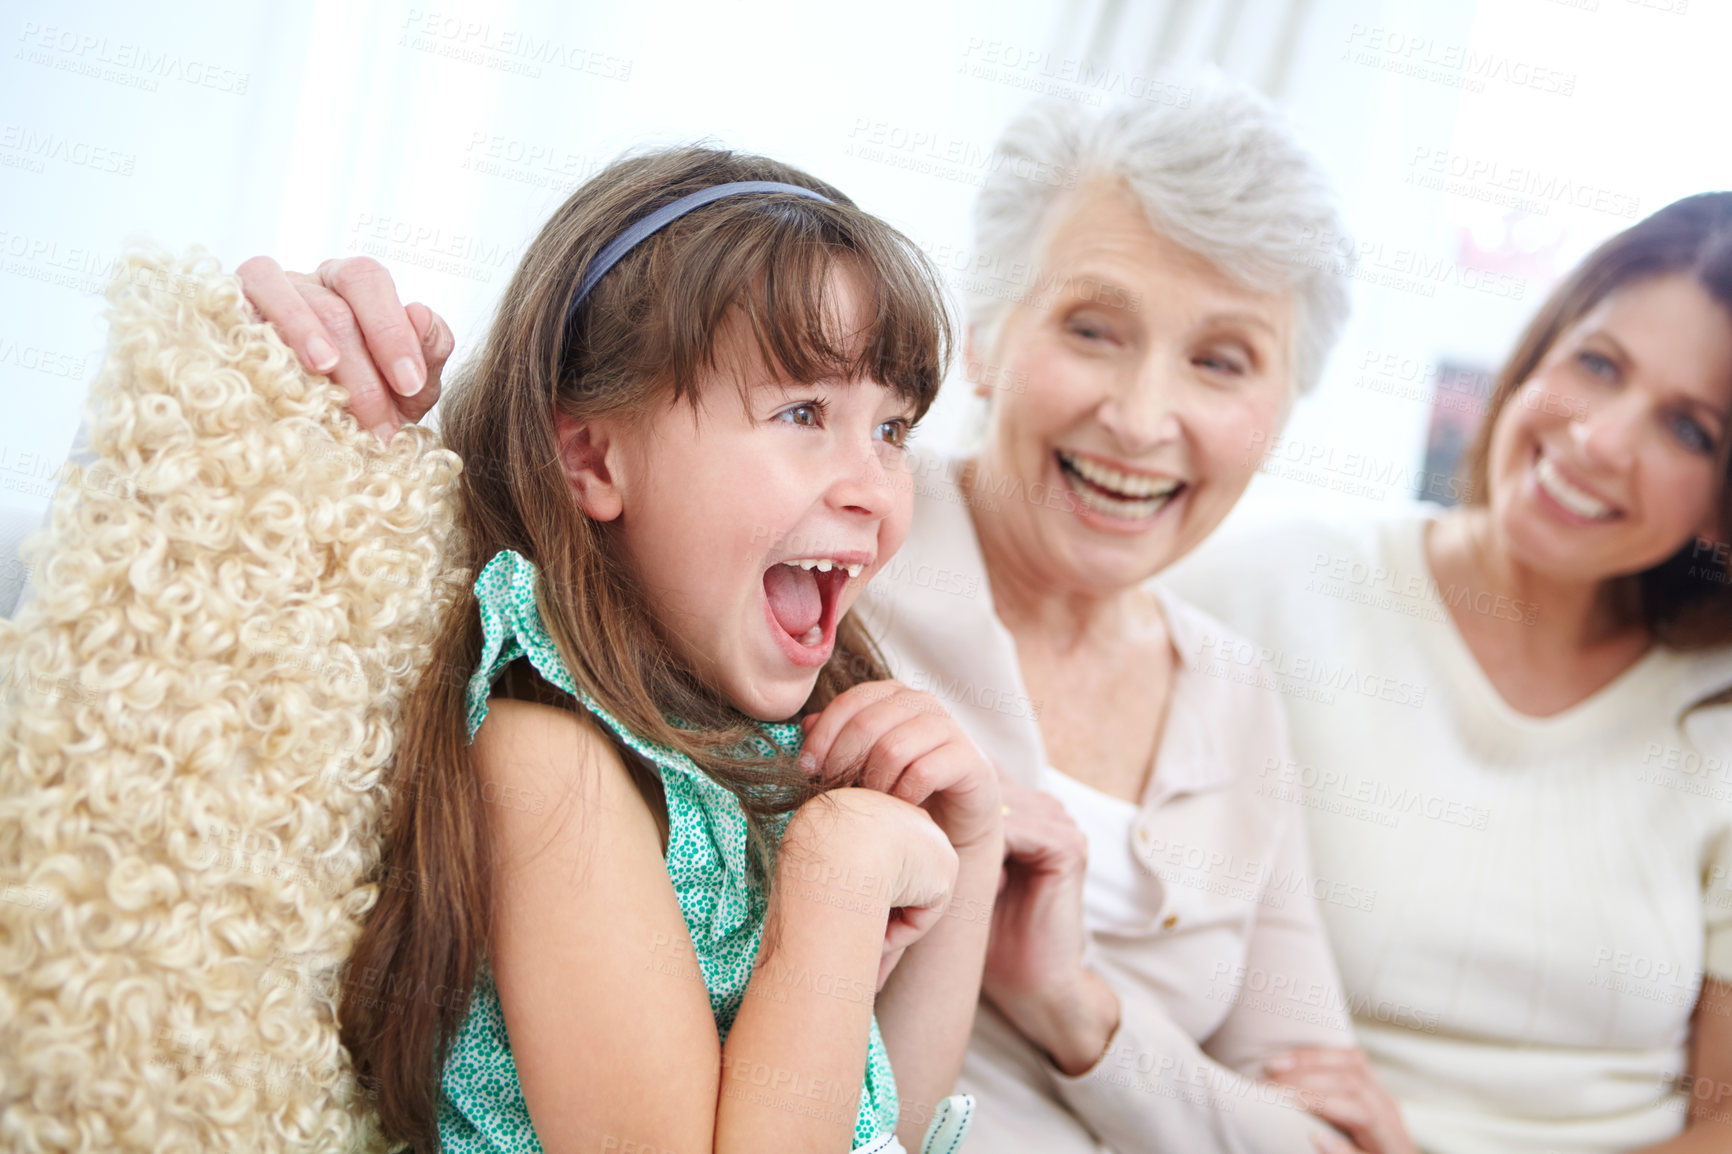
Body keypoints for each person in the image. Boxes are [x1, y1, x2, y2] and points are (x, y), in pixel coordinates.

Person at [259, 145, 1004, 1153]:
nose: (873, 488)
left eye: (892, 427)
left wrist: (969, 847)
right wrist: (836, 872)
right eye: (802, 412)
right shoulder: (547, 758)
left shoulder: (768, 739)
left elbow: (885, 1119)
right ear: (594, 457)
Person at [1164, 193, 1732, 1152]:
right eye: (1597, 364)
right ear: (1539, 351)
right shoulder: (1268, 582)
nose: (1598, 440)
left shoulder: (1715, 714)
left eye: (1690, 429)